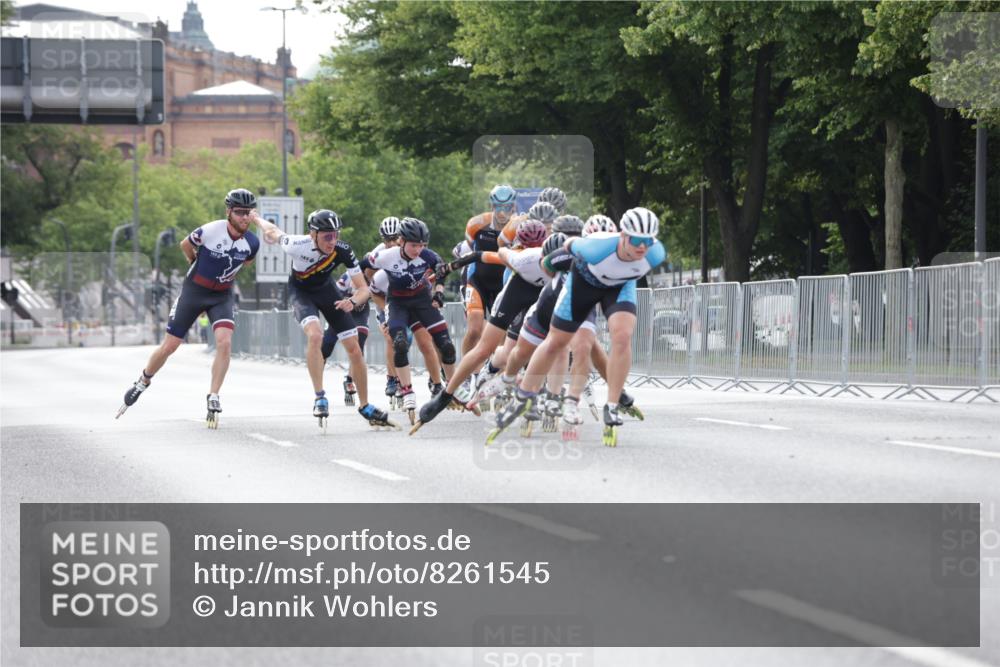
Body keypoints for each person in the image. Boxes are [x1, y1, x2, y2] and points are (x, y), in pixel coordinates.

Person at [489, 207, 666, 447]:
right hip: (585, 284)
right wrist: (553, 271)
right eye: (636, 240)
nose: (642, 247)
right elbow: (554, 259)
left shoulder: (656, 253)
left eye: (648, 241)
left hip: (619, 287)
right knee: (557, 343)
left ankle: (611, 405)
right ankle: (525, 394)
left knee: (621, 337)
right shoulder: (594, 247)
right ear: (623, 236)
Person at [116, 188, 261, 427]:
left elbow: (246, 262)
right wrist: (194, 261)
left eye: (248, 212)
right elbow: (185, 244)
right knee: (170, 346)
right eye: (239, 212)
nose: (245, 217)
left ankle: (213, 395)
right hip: (194, 293)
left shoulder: (252, 242)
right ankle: (143, 380)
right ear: (228, 212)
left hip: (222, 296)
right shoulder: (211, 230)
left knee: (224, 342)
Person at [256, 208, 394, 430]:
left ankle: (365, 405)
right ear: (313, 234)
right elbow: (272, 231)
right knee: (315, 335)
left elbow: (363, 289)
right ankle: (320, 396)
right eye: (327, 236)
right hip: (301, 293)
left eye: (336, 235)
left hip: (327, 292)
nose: (332, 241)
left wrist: (353, 302)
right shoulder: (296, 244)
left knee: (355, 348)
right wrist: (255, 218)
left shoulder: (342, 250)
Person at [413, 219, 551, 429]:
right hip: (516, 293)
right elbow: (481, 255)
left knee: (542, 347)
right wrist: (449, 267)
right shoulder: (518, 256)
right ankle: (447, 394)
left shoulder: (555, 255)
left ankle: (534, 393)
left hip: (543, 296)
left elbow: (478, 255)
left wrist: (449, 267)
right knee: (486, 349)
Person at [367, 217, 458, 424]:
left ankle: (443, 386)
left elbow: (441, 271)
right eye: (414, 245)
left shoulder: (425, 254)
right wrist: (382, 315)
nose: (418, 250)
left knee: (438, 344)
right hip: (397, 304)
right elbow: (365, 275)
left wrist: (439, 293)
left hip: (421, 302)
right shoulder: (384, 258)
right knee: (398, 342)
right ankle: (402, 387)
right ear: (400, 241)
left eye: (421, 245)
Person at [462, 184, 517, 358]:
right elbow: (471, 247)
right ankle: (466, 371)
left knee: (501, 334)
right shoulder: (476, 224)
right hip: (477, 280)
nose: (502, 213)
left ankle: (493, 370)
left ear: (513, 207)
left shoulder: (519, 226)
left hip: (503, 284)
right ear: (491, 206)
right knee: (474, 330)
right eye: (497, 207)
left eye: (507, 207)